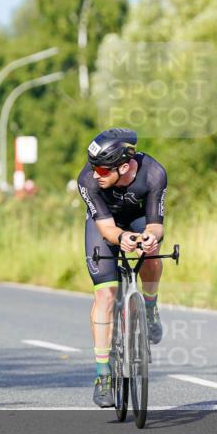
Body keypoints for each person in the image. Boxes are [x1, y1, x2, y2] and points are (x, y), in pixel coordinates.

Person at [77, 128, 167, 408]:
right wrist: (122, 238)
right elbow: (106, 228)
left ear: (125, 166)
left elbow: (155, 223)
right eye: (93, 168)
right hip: (104, 225)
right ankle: (103, 373)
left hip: (139, 219)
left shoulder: (154, 173)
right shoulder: (87, 180)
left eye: (103, 170)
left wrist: (150, 238)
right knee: (106, 294)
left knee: (153, 254)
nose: (95, 175)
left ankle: (149, 307)